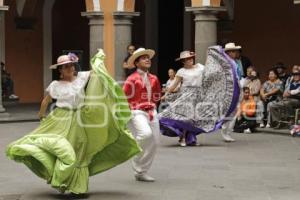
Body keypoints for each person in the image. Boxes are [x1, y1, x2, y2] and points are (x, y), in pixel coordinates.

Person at [6, 51, 141, 195]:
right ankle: (62, 181)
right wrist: (40, 116)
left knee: (80, 150)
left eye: (71, 65)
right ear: (60, 70)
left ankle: (78, 187)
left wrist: (98, 59)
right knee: (62, 150)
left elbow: (96, 71)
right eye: (65, 66)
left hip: (80, 119)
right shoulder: (56, 85)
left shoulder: (81, 78)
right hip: (60, 118)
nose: (70, 68)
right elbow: (46, 101)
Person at [159, 47, 240, 145]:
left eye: (191, 58)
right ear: (183, 61)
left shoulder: (200, 67)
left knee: (195, 118)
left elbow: (210, 72)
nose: (190, 60)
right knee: (186, 117)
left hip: (199, 96)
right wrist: (166, 94)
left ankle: (190, 138)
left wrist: (216, 60)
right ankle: (183, 137)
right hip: (186, 95)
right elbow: (174, 85)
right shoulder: (181, 71)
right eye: (188, 59)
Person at [123, 48, 161, 182]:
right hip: (136, 111)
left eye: (148, 58)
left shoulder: (154, 78)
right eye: (143, 58)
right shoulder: (131, 79)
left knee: (155, 141)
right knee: (145, 134)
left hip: (151, 111)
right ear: (137, 63)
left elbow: (157, 95)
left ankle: (141, 171)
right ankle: (133, 151)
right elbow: (123, 97)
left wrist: (154, 105)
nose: (147, 59)